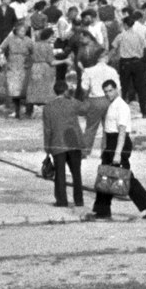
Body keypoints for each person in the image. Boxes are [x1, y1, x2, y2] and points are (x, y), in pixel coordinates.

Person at [88, 79, 146, 221]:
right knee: (105, 175)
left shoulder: (122, 106)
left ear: (117, 89)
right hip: (111, 142)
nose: (108, 94)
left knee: (124, 176)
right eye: (106, 91)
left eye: (110, 90)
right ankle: (102, 210)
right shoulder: (110, 105)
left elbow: (122, 131)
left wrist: (117, 153)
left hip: (119, 142)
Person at [42, 78, 86, 209]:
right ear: (66, 90)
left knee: (60, 174)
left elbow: (47, 129)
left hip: (57, 143)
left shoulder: (48, 107)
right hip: (73, 141)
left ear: (55, 92)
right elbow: (84, 110)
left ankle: (61, 200)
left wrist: (47, 147)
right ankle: (79, 200)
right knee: (76, 173)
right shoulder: (72, 103)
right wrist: (72, 98)